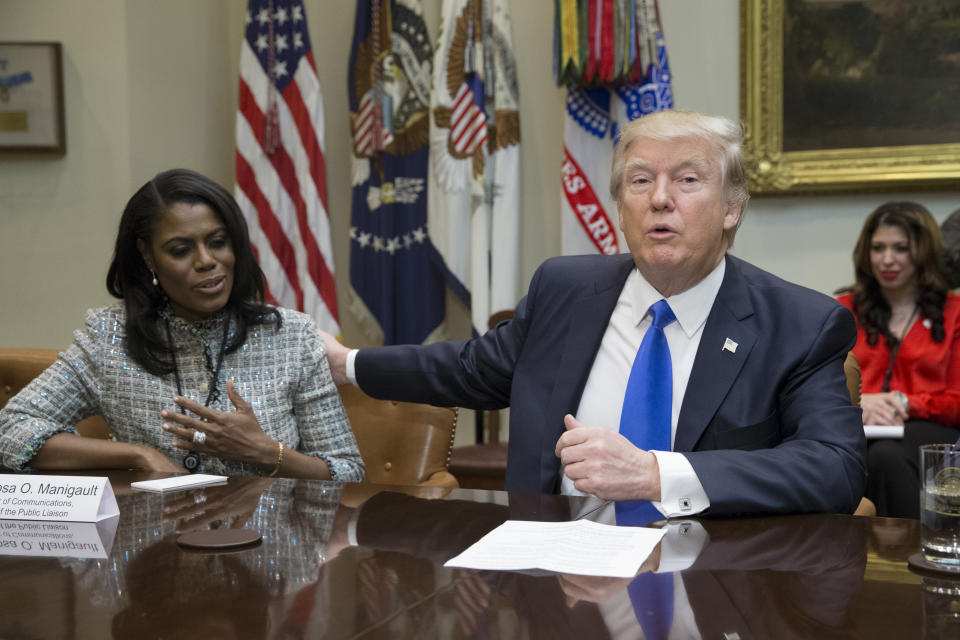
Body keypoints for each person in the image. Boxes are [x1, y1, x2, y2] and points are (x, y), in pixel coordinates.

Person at [322, 110, 866, 516]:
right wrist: (347, 364)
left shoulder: (799, 323)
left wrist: (656, 474)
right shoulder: (565, 289)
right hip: (554, 579)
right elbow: (471, 368)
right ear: (620, 209)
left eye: (687, 180)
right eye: (639, 180)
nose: (659, 199)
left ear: (731, 209)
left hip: (709, 583)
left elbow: (834, 468)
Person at [0, 169, 364, 481]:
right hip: (154, 550)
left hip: (272, 551)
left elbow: (348, 471)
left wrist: (268, 452)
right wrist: (136, 456)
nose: (207, 261)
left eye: (218, 242)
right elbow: (11, 429)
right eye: (180, 250)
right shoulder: (110, 337)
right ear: (147, 256)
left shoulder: (291, 336)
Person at [837, 201, 960, 518]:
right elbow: (818, 384)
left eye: (900, 248)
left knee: (885, 456)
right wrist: (862, 404)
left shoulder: (954, 312)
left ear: (924, 252)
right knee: (846, 454)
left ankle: (905, 555)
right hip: (858, 428)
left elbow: (956, 399)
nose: (887, 260)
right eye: (878, 248)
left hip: (930, 430)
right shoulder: (843, 310)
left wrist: (902, 403)